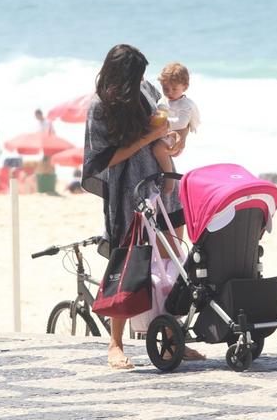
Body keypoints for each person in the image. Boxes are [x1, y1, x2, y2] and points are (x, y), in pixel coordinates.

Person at [82, 43, 203, 369]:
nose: (143, 82)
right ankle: (115, 344)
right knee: (128, 263)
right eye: (135, 76)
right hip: (129, 191)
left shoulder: (146, 91)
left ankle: (170, 337)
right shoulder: (100, 107)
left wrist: (174, 140)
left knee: (171, 262)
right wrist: (148, 140)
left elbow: (162, 128)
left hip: (163, 185)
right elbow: (101, 160)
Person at [152, 62, 200, 193]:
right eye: (166, 89)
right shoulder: (164, 102)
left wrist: (163, 122)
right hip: (166, 135)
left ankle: (170, 180)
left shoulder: (186, 104)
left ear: (185, 86)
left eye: (174, 89)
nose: (169, 92)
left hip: (175, 139)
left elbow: (182, 123)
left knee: (158, 150)